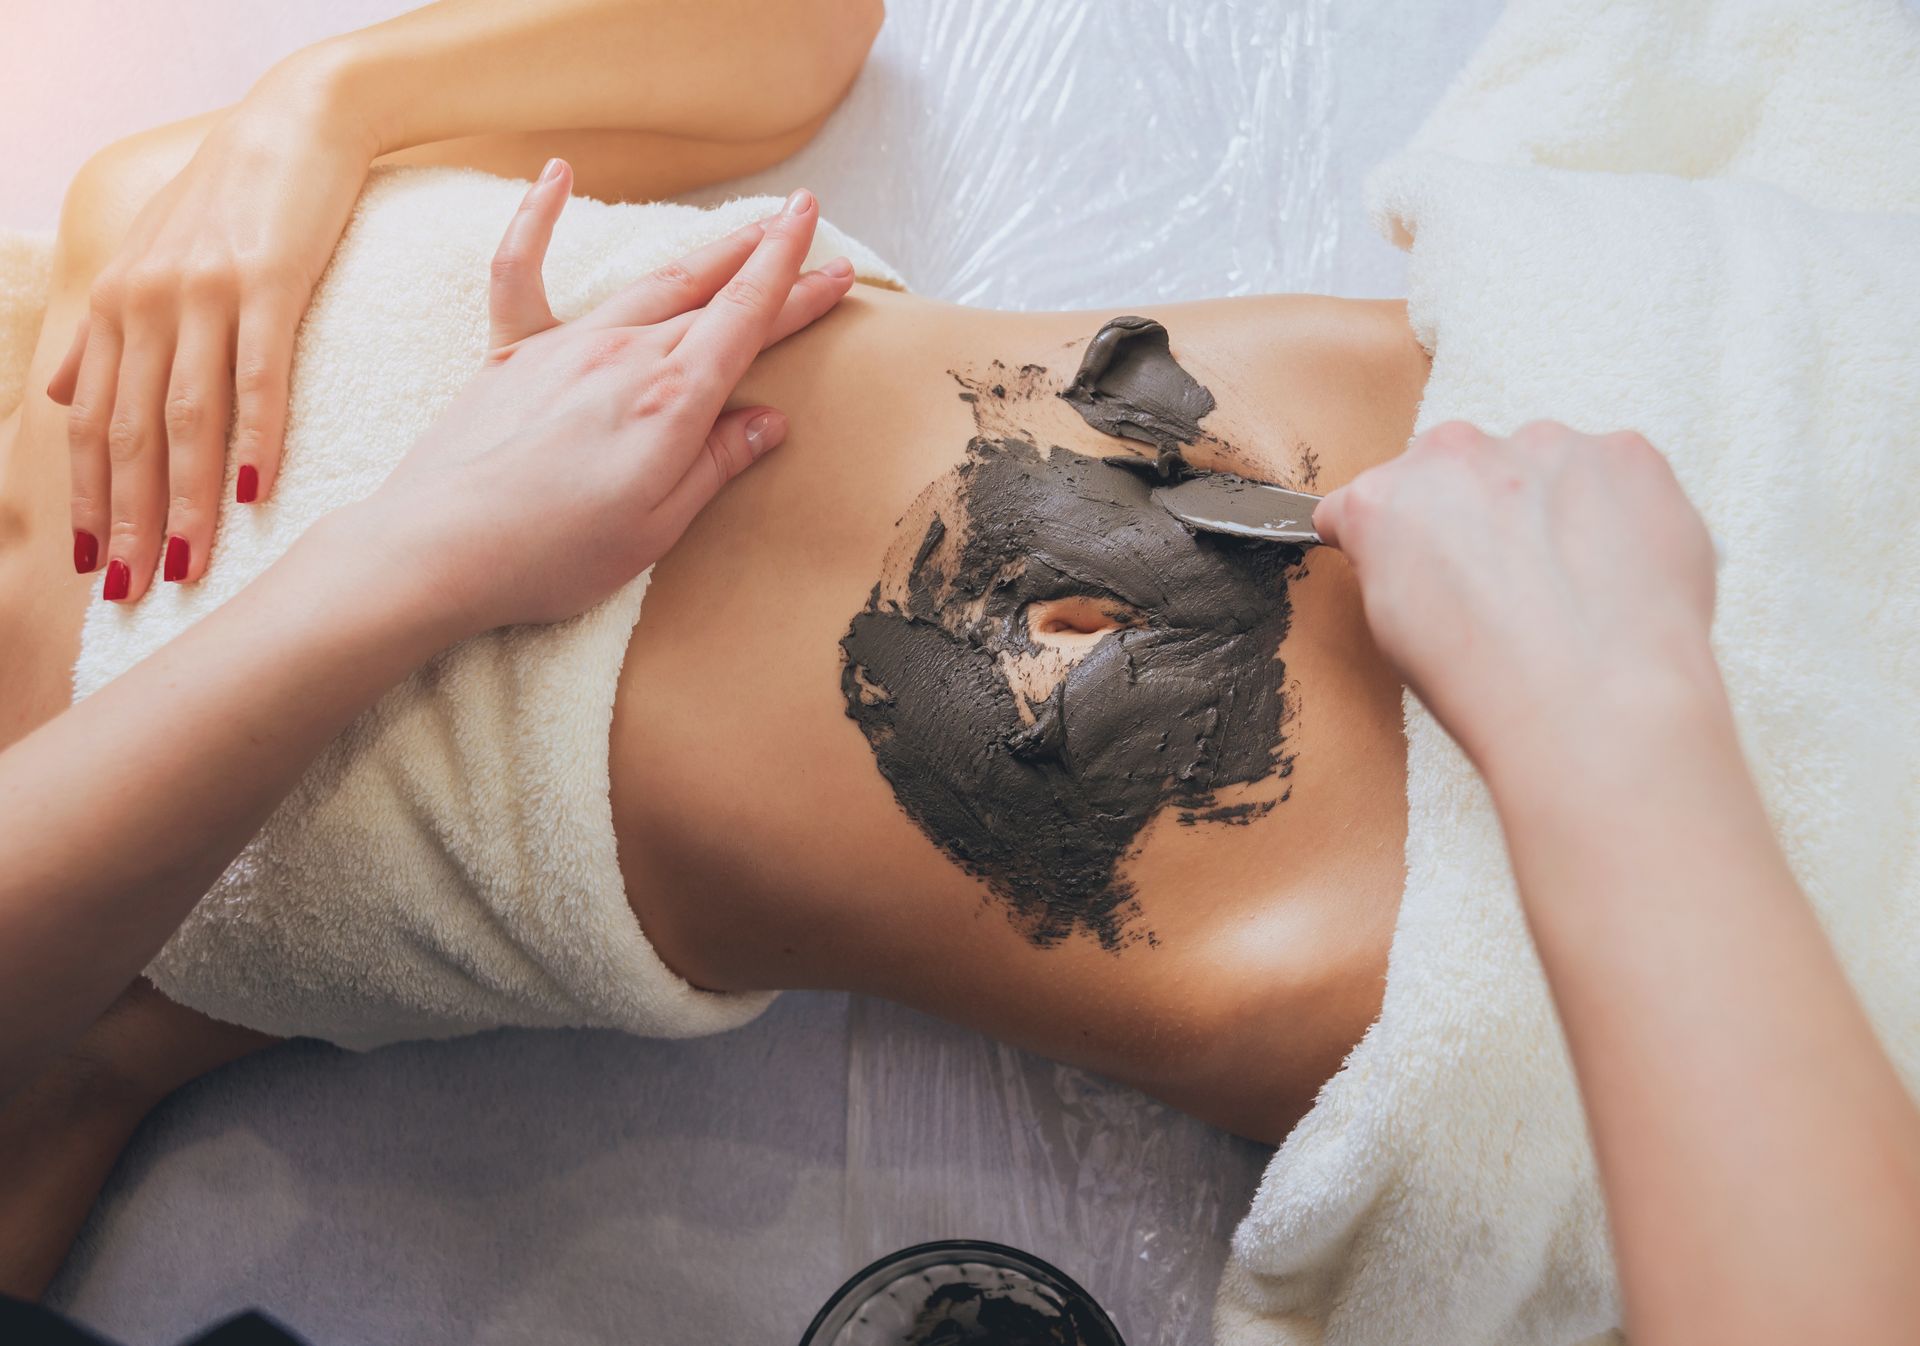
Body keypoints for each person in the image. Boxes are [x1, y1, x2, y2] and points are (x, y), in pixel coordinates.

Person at [2, 6, 1912, 1340]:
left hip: (1618, 409)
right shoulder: (64, 978)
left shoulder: (151, 225)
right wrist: (411, 565)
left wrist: (316, 106)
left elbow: (798, 25)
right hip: (1502, 965)